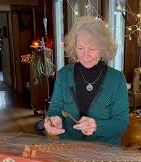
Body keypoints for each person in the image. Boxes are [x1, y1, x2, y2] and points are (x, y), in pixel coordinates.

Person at [44, 16, 129, 145]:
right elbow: (55, 110)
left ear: (103, 48)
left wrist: (97, 126)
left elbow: (121, 123)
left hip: (105, 153)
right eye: (80, 48)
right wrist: (53, 120)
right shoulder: (64, 75)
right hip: (69, 149)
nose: (85, 55)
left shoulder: (117, 79)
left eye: (92, 49)